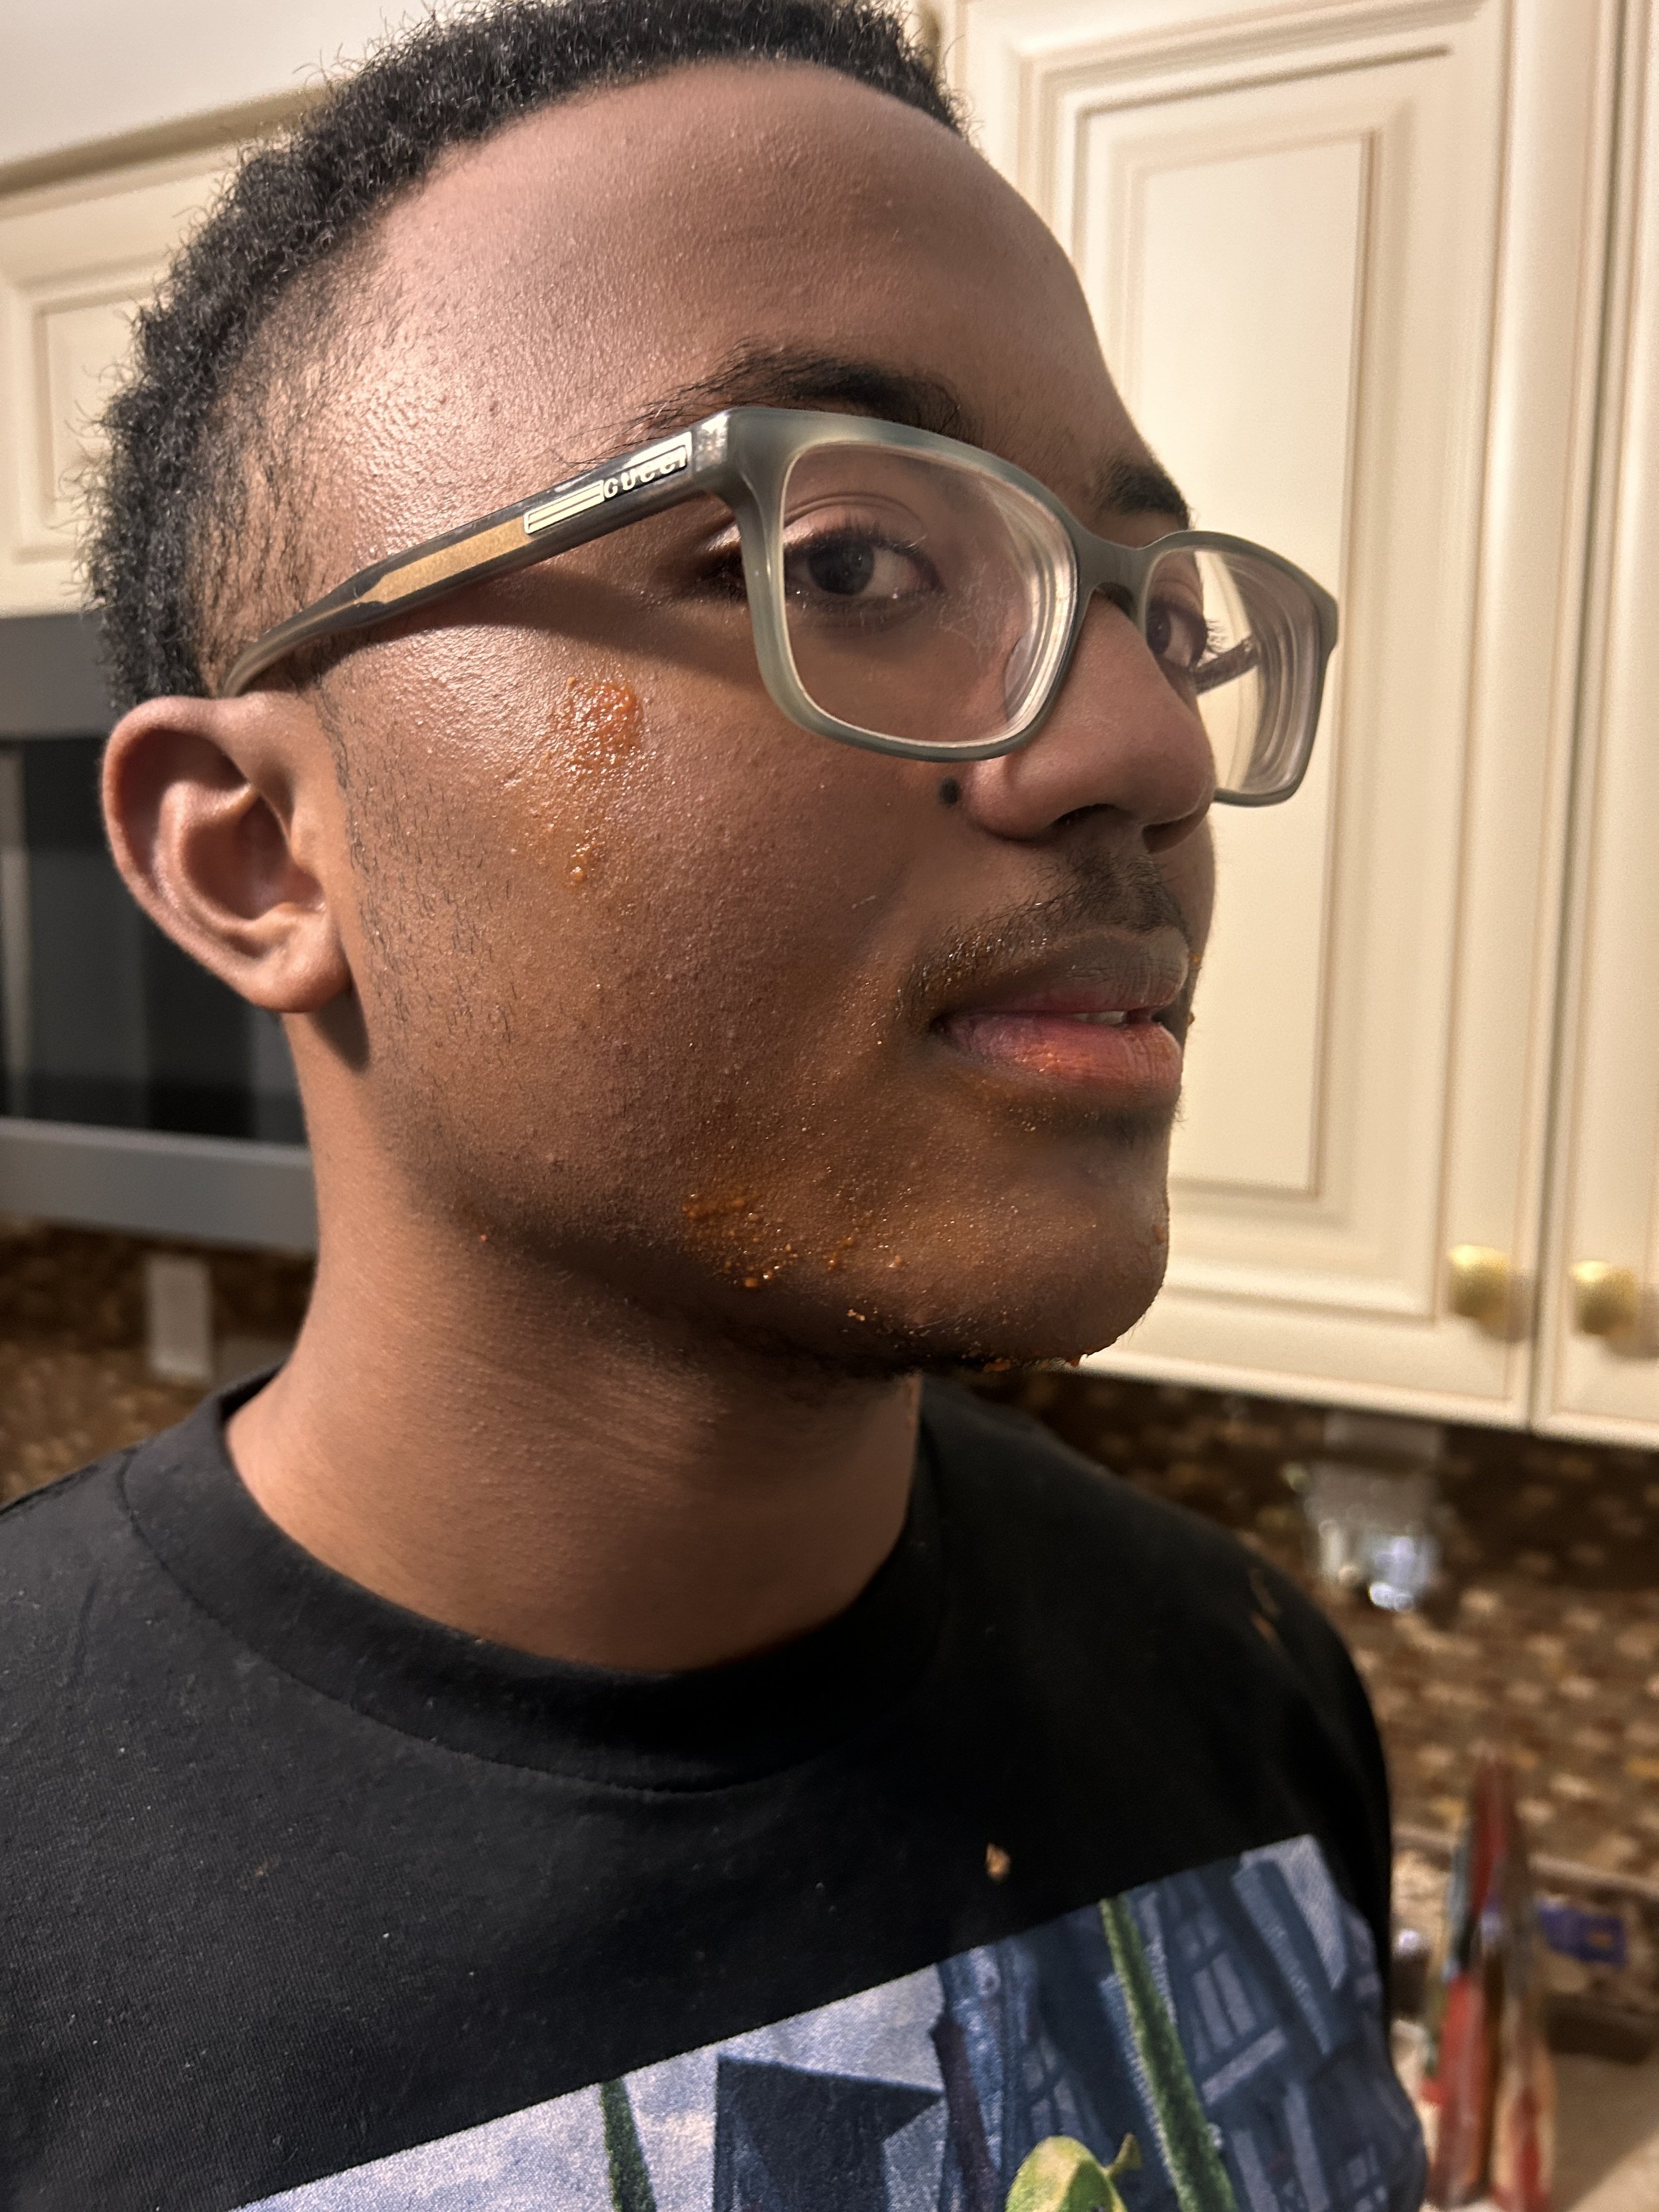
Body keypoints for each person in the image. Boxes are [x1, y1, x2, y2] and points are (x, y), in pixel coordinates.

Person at [1, 3, 1422, 2207]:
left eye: (1148, 605)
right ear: (258, 855)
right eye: (845, 561)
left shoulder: (1236, 1684)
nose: (1141, 744)